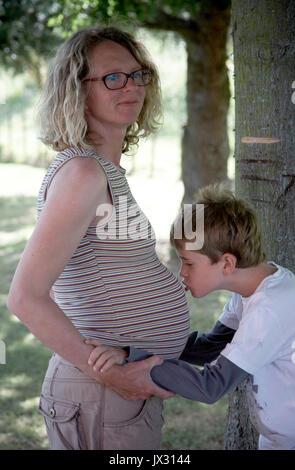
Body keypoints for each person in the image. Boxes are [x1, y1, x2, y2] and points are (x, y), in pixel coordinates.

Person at [6, 26, 190, 450]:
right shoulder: (84, 174)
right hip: (100, 391)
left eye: (137, 74)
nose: (131, 86)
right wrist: (114, 374)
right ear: (77, 90)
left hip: (114, 391)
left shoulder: (100, 169)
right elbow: (25, 297)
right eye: (112, 77)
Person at [88, 185, 295, 450]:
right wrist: (131, 350)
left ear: (227, 264)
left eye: (188, 263)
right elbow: (208, 348)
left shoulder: (270, 309)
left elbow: (210, 387)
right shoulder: (255, 288)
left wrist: (145, 363)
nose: (182, 273)